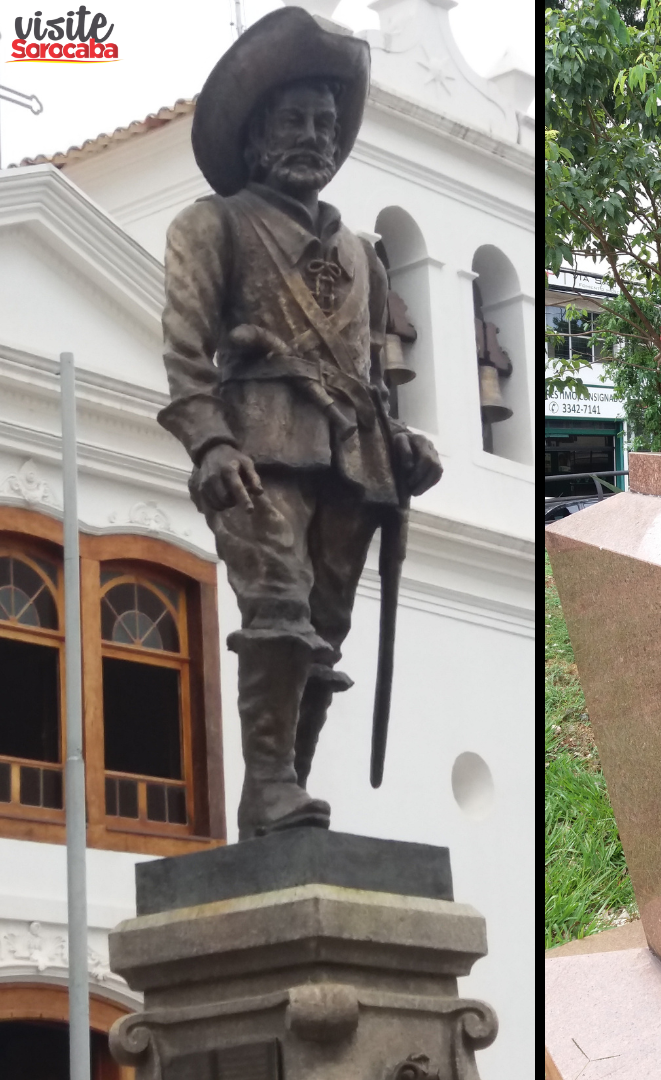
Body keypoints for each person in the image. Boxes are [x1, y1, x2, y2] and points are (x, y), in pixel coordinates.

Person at [157, 8, 442, 839]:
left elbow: (371, 382)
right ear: (256, 137)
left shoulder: (363, 251)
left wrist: (403, 445)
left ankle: (284, 798)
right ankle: (271, 788)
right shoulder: (211, 225)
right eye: (295, 121)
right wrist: (208, 441)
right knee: (276, 606)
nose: (316, 136)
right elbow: (184, 351)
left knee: (324, 631)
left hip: (352, 465)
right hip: (256, 448)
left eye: (327, 122)